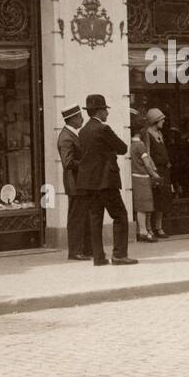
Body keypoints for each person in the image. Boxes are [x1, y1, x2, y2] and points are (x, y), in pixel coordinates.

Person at [78, 94, 136, 265]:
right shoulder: (103, 129)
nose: (107, 114)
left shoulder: (83, 131)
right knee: (120, 215)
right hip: (106, 180)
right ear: (99, 111)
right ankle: (119, 255)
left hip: (89, 182)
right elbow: (122, 148)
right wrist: (110, 152)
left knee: (95, 218)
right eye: (105, 110)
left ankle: (98, 257)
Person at [56, 106, 91, 261]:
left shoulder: (71, 135)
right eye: (80, 117)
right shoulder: (66, 137)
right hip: (75, 183)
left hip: (80, 183)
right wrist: (87, 163)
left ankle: (84, 249)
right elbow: (68, 162)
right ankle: (75, 251)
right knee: (76, 217)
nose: (82, 119)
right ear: (73, 118)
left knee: (83, 216)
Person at [129, 112, 160, 242]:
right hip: (142, 177)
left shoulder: (132, 144)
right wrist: (155, 175)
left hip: (135, 177)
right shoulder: (141, 145)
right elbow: (147, 164)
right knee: (144, 207)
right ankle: (143, 231)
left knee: (141, 206)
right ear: (142, 130)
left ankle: (143, 230)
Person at [143, 108, 173, 238]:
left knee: (162, 200)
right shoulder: (147, 135)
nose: (164, 121)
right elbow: (148, 154)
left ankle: (159, 227)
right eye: (161, 119)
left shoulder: (160, 133)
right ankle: (150, 228)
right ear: (155, 121)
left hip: (165, 170)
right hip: (156, 171)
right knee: (153, 199)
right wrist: (152, 171)